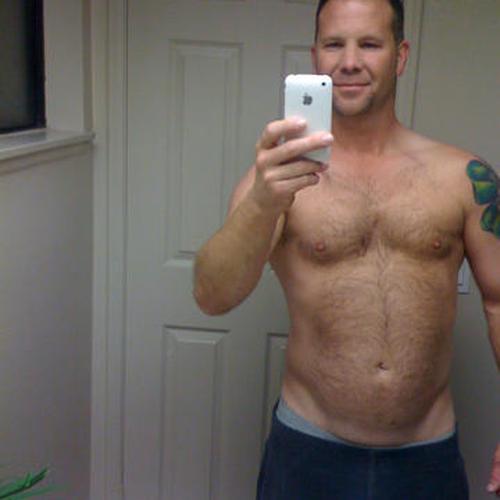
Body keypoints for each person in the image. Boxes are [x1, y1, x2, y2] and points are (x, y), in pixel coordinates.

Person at [193, 0, 500, 498]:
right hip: (307, 451)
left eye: (370, 44)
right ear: (316, 56)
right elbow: (212, 296)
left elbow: (498, 301)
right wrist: (263, 203)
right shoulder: (275, 180)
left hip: (427, 457)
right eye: (334, 44)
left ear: (400, 56)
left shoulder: (463, 177)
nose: (350, 61)